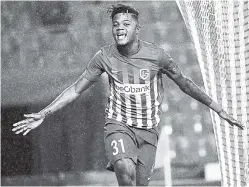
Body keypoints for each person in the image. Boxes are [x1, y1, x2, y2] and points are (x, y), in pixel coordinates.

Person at [12, 4, 244, 186]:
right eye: (115, 24)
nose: (120, 28)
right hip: (118, 126)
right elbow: (75, 89)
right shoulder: (104, 57)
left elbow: (185, 84)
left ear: (137, 28)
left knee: (138, 181)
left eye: (126, 23)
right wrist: (45, 112)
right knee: (125, 168)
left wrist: (218, 108)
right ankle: (121, 158)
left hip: (147, 131)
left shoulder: (157, 56)